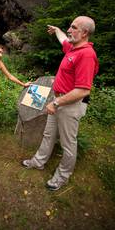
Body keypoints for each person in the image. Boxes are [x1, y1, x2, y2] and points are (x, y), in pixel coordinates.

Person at [22, 16, 99, 191]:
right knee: (49, 135)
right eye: (69, 27)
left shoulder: (86, 54)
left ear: (85, 32)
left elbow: (83, 90)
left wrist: (56, 103)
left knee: (68, 143)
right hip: (59, 101)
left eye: (73, 27)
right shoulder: (72, 47)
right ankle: (38, 162)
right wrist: (57, 30)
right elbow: (63, 39)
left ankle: (62, 177)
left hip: (70, 105)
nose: (69, 30)